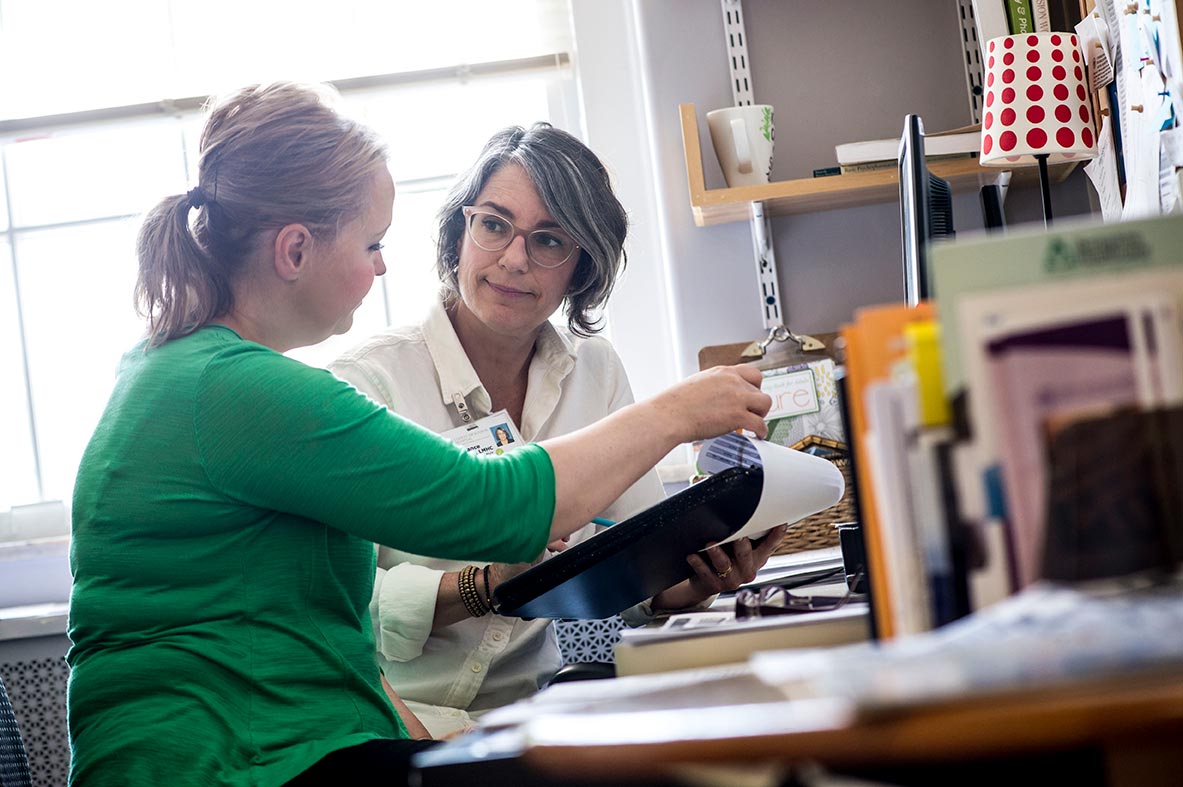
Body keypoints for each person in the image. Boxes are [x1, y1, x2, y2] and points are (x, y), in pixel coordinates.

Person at [66, 83, 771, 787]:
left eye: (549, 239)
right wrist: (679, 410)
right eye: (372, 242)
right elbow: (498, 507)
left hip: (276, 743)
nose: (380, 264)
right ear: (293, 251)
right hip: (225, 761)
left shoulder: (188, 370)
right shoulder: (246, 389)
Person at [330, 123, 788, 738]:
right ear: (459, 234)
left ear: (580, 269)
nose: (514, 259)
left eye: (549, 240)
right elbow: (341, 605)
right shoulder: (367, 383)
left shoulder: (594, 372)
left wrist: (694, 582)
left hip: (536, 713)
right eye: (493, 224)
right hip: (397, 720)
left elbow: (633, 562)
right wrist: (487, 584)